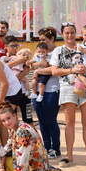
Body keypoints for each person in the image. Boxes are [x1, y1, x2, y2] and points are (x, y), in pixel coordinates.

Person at [50, 23, 86, 168]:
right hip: (67, 86)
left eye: (72, 32)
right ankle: (69, 156)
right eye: (67, 33)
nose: (70, 35)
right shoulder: (58, 51)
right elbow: (54, 71)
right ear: (62, 34)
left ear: (76, 33)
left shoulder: (84, 47)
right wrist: (72, 70)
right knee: (70, 122)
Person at [0, 103, 62, 171]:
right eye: (3, 120)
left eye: (8, 118)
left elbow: (23, 155)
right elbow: (8, 145)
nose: (6, 122)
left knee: (5, 167)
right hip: (31, 161)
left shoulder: (22, 132)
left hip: (35, 167)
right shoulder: (15, 127)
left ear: (15, 115)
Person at [31, 27, 61, 158]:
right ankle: (46, 147)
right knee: (42, 121)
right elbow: (32, 65)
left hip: (52, 90)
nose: (41, 42)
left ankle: (56, 148)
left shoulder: (58, 51)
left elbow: (53, 70)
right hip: (37, 91)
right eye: (40, 39)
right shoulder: (39, 51)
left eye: (44, 39)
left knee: (51, 120)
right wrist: (40, 66)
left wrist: (39, 69)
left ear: (52, 39)